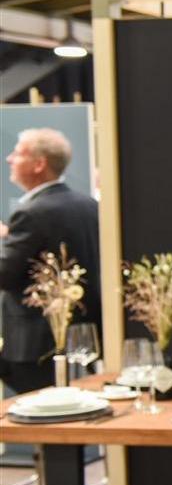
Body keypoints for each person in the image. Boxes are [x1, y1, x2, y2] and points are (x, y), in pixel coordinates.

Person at [0, 128, 100, 393]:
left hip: (34, 345)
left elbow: (5, 274)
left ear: (39, 164)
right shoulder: (88, 205)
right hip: (84, 336)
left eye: (18, 154)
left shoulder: (32, 213)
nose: (9, 159)